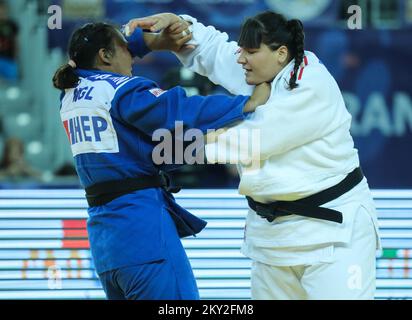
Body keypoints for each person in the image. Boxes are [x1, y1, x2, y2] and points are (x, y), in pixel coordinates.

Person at [126, 12, 381, 300]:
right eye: (242, 50)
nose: (241, 59)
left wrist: (170, 147)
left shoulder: (312, 85)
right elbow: (216, 52)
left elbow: (252, 141)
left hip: (333, 233)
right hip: (271, 237)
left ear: (281, 53)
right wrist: (181, 30)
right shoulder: (264, 69)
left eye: (250, 51)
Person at [52, 21, 270, 300]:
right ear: (105, 56)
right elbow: (177, 111)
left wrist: (153, 43)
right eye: (125, 47)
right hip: (143, 233)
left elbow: (153, 150)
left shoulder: (70, 94)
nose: (131, 54)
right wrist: (243, 104)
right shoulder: (122, 91)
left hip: (106, 245)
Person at [0, 0, 18, 83]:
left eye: (3, 10)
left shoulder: (11, 25)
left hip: (8, 59)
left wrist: (15, 57)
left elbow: (16, 42)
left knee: (12, 79)